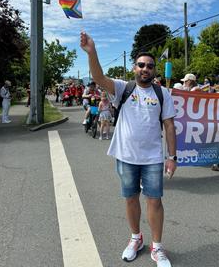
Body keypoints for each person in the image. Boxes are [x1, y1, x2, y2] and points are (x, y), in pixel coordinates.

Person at [81, 32, 177, 267]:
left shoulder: (162, 93)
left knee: (154, 201)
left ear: (154, 70)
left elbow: (169, 125)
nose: (145, 68)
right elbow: (99, 76)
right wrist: (92, 52)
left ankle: (157, 247)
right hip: (126, 157)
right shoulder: (123, 88)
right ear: (134, 68)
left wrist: (172, 157)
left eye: (150, 66)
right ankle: (136, 238)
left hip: (153, 158)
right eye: (141, 65)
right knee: (131, 199)